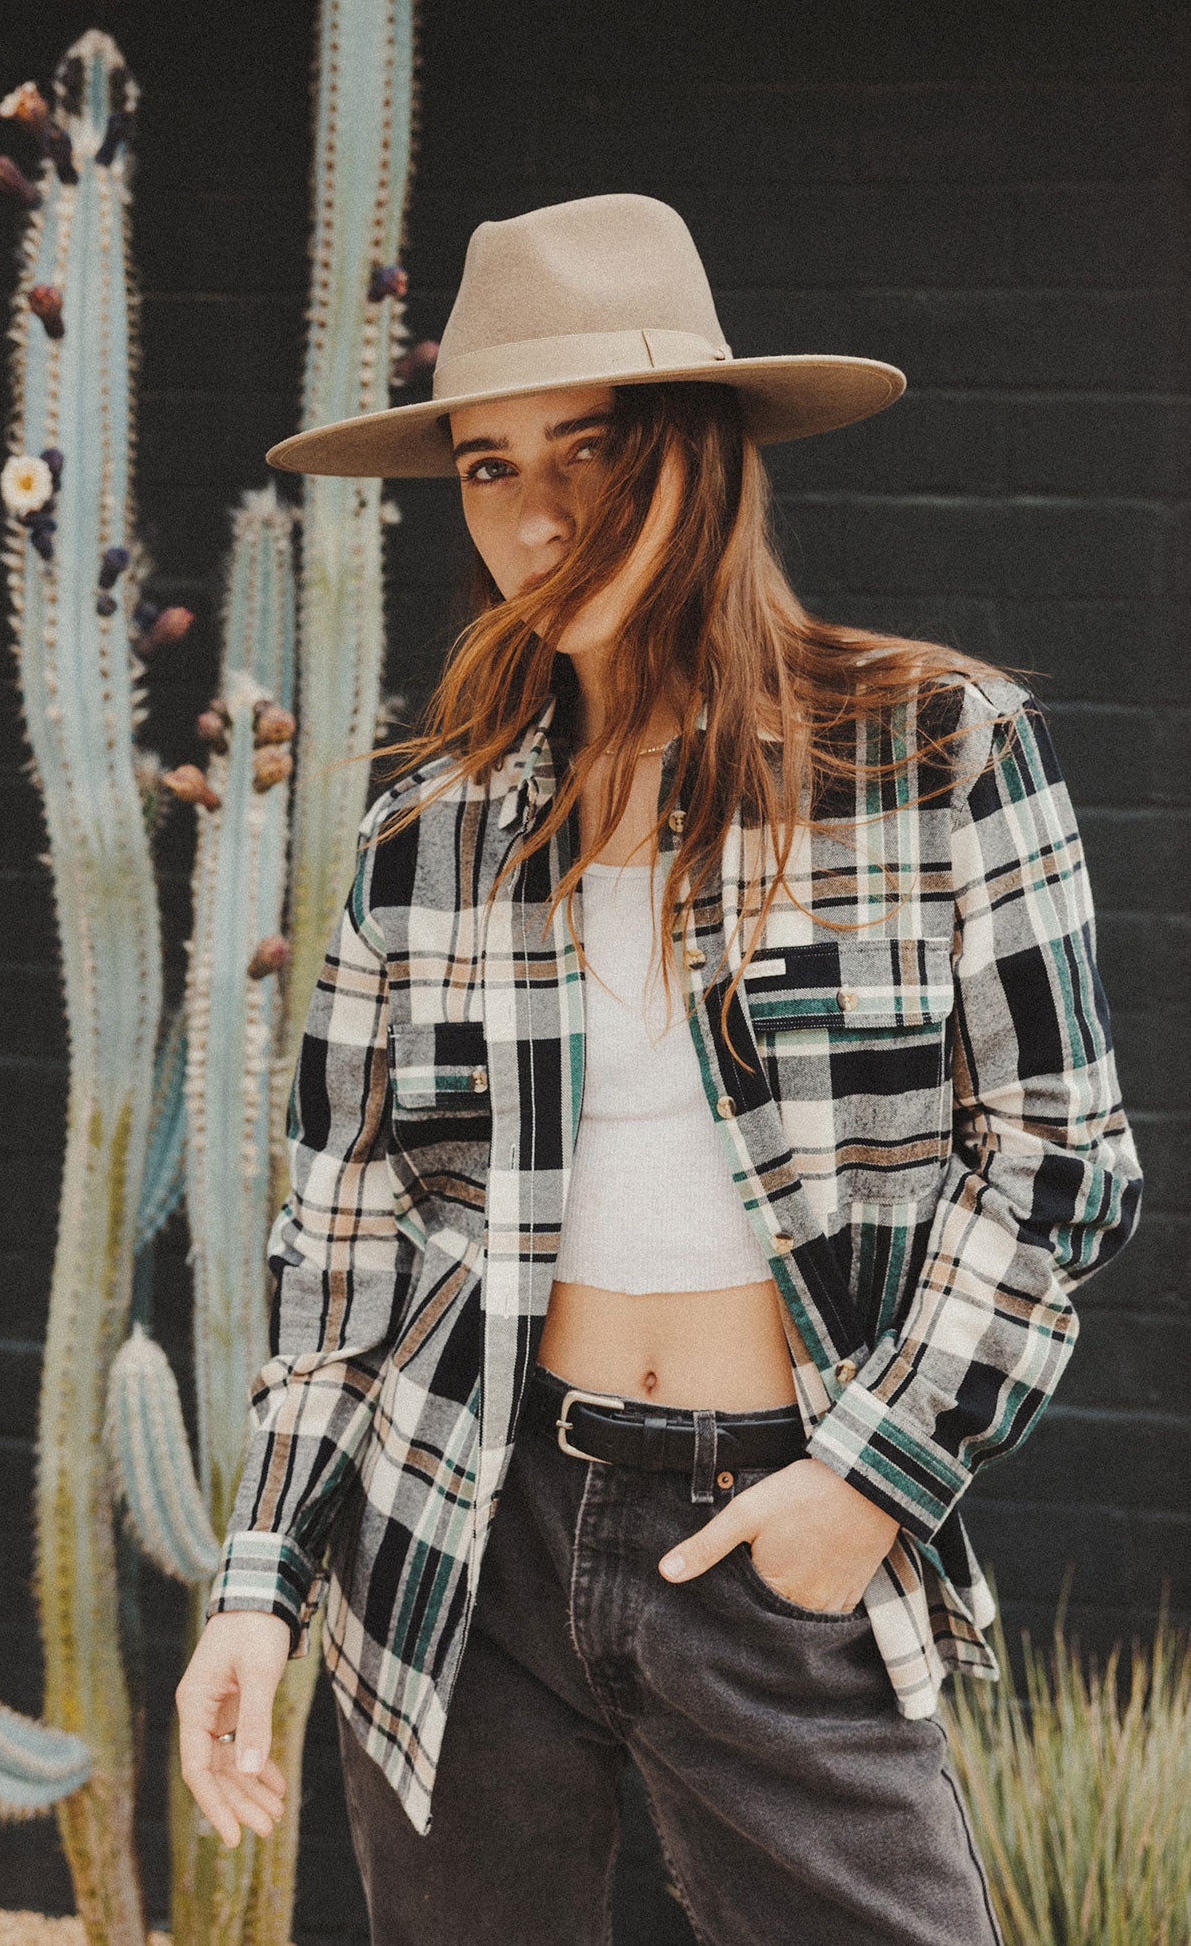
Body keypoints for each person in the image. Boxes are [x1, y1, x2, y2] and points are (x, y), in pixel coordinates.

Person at [175, 194, 1142, 1945]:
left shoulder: (934, 753)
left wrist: (865, 1485)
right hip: (462, 1525)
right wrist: (258, 1581)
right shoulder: (426, 834)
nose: (535, 514)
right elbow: (341, 1243)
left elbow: (1058, 1160)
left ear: (698, 455)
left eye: (590, 449)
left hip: (769, 1523)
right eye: (485, 465)